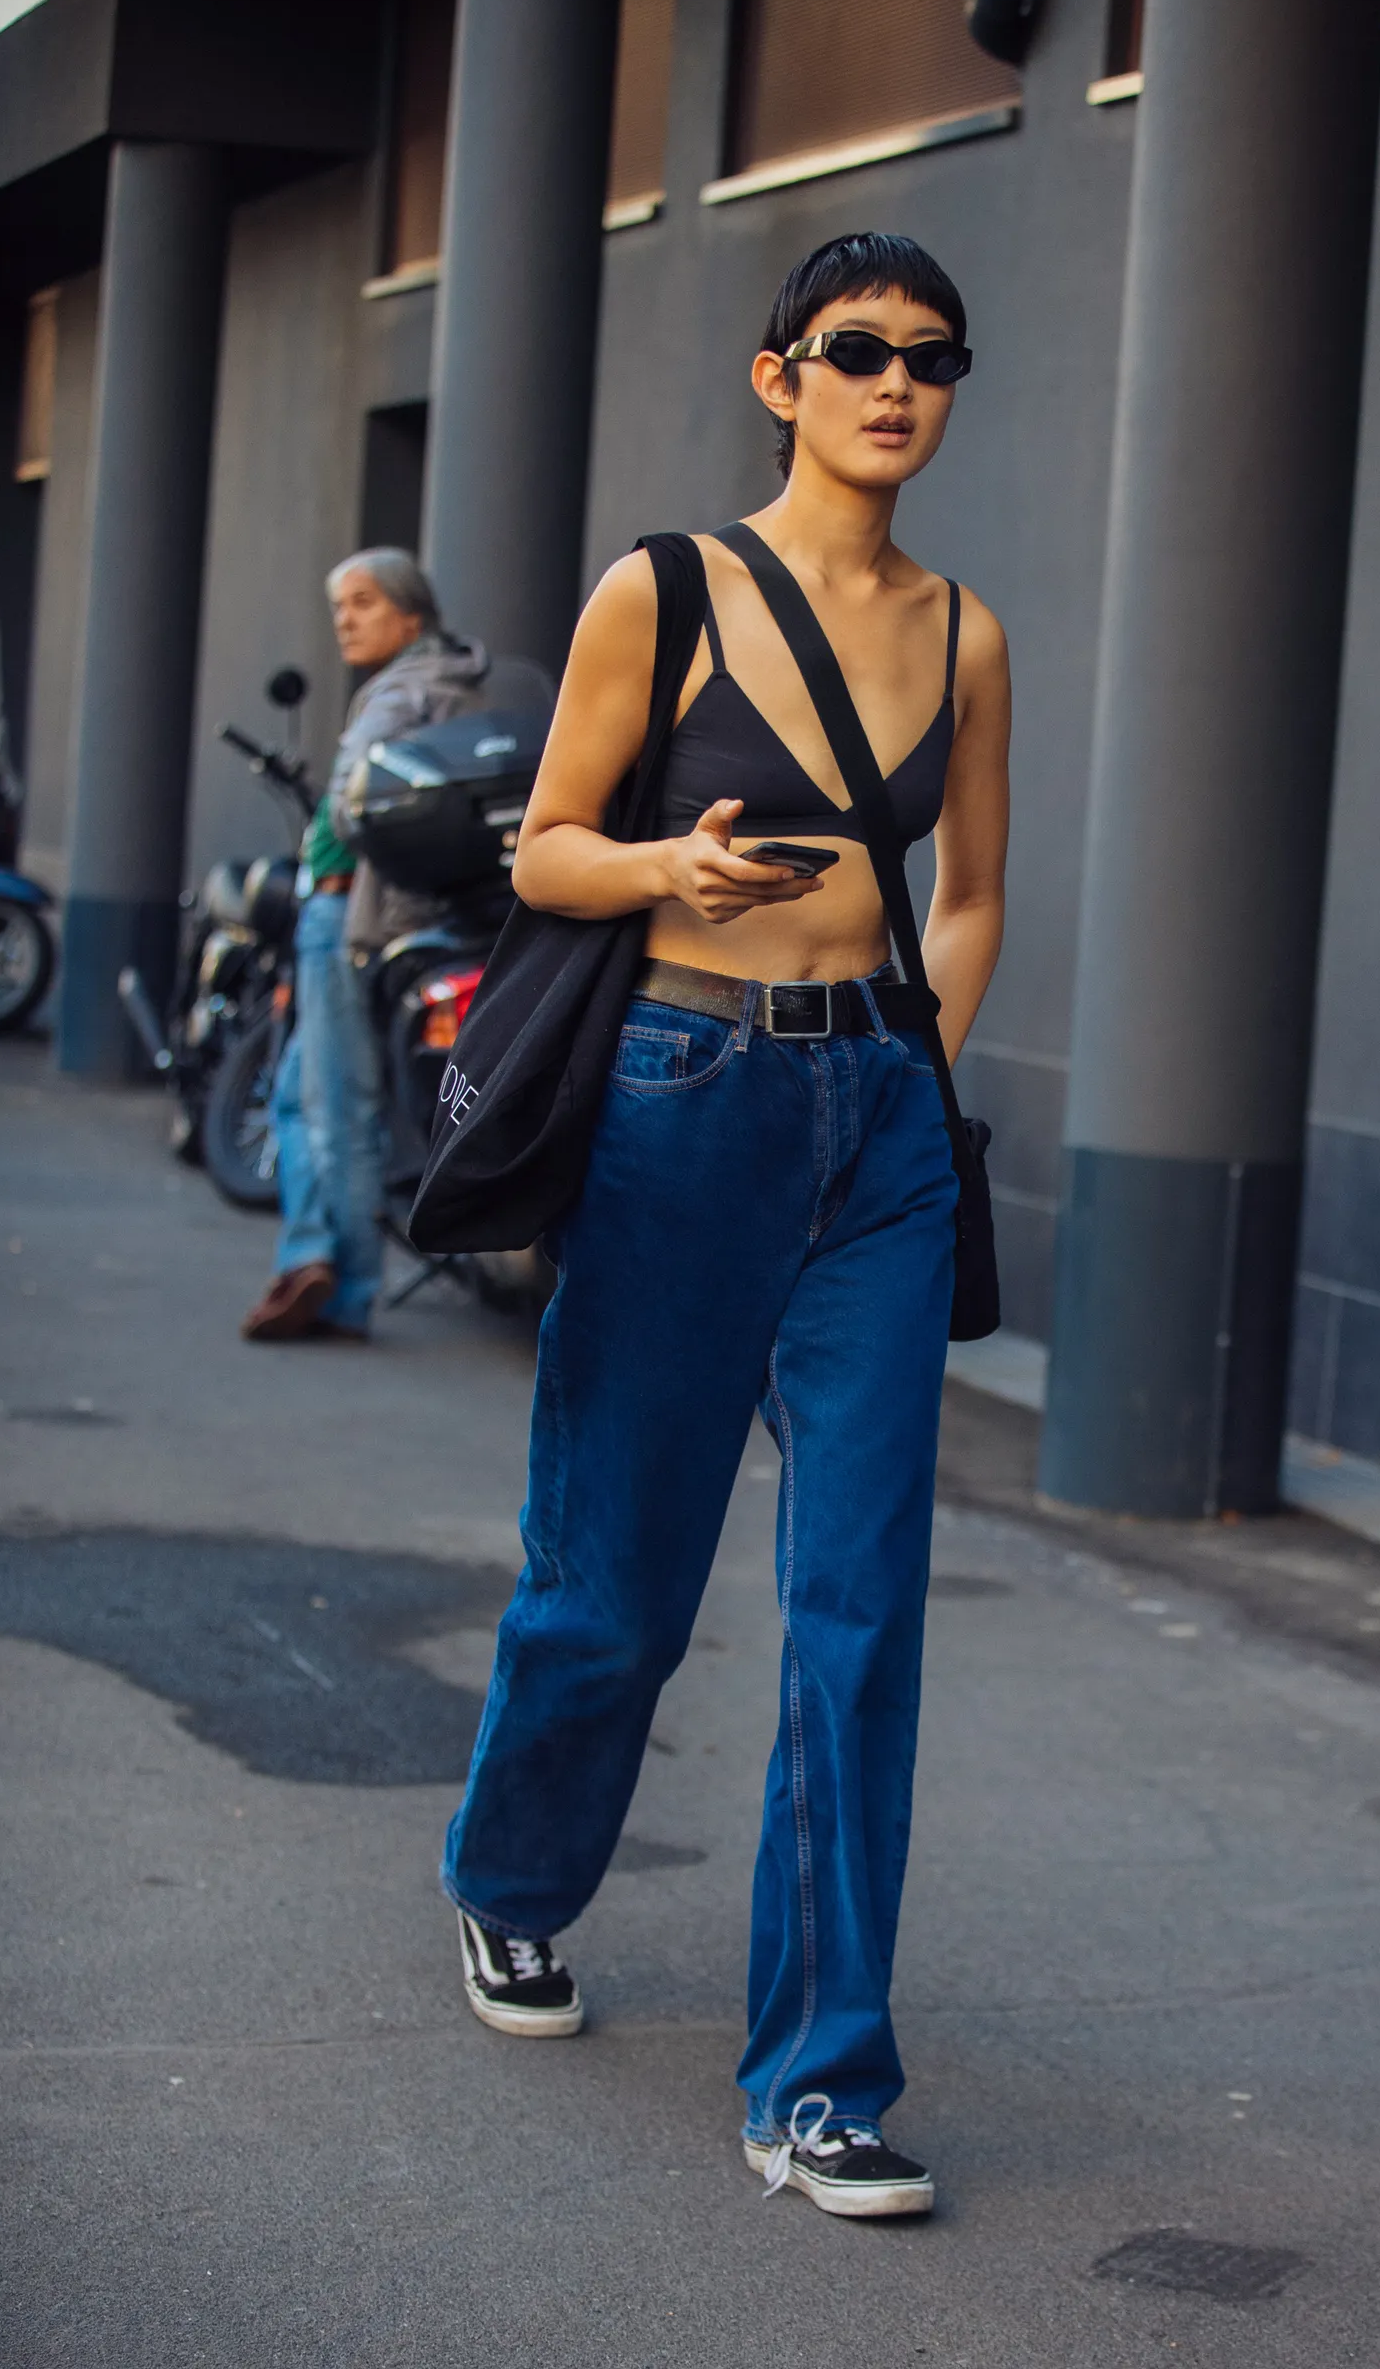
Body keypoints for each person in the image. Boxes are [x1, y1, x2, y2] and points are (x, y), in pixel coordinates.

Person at [443, 234, 1010, 2217]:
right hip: (683, 1105)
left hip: (882, 1126)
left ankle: (818, 2088)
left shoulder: (964, 634)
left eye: (932, 359)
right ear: (781, 378)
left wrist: (917, 1068)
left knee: (856, 1617)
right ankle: (510, 1883)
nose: (896, 383)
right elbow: (543, 847)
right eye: (857, 351)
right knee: (617, 1584)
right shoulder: (661, 592)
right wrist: (664, 859)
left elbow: (964, 892)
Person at [241, 550, 487, 1341]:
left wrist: (327, 869)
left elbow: (350, 810)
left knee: (336, 1105)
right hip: (417, 917)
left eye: (364, 602)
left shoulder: (397, 695)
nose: (344, 619)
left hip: (350, 916)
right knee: (298, 1093)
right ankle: (310, 1253)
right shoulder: (461, 685)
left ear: (411, 615)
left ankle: (337, 1281)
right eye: (338, 605)